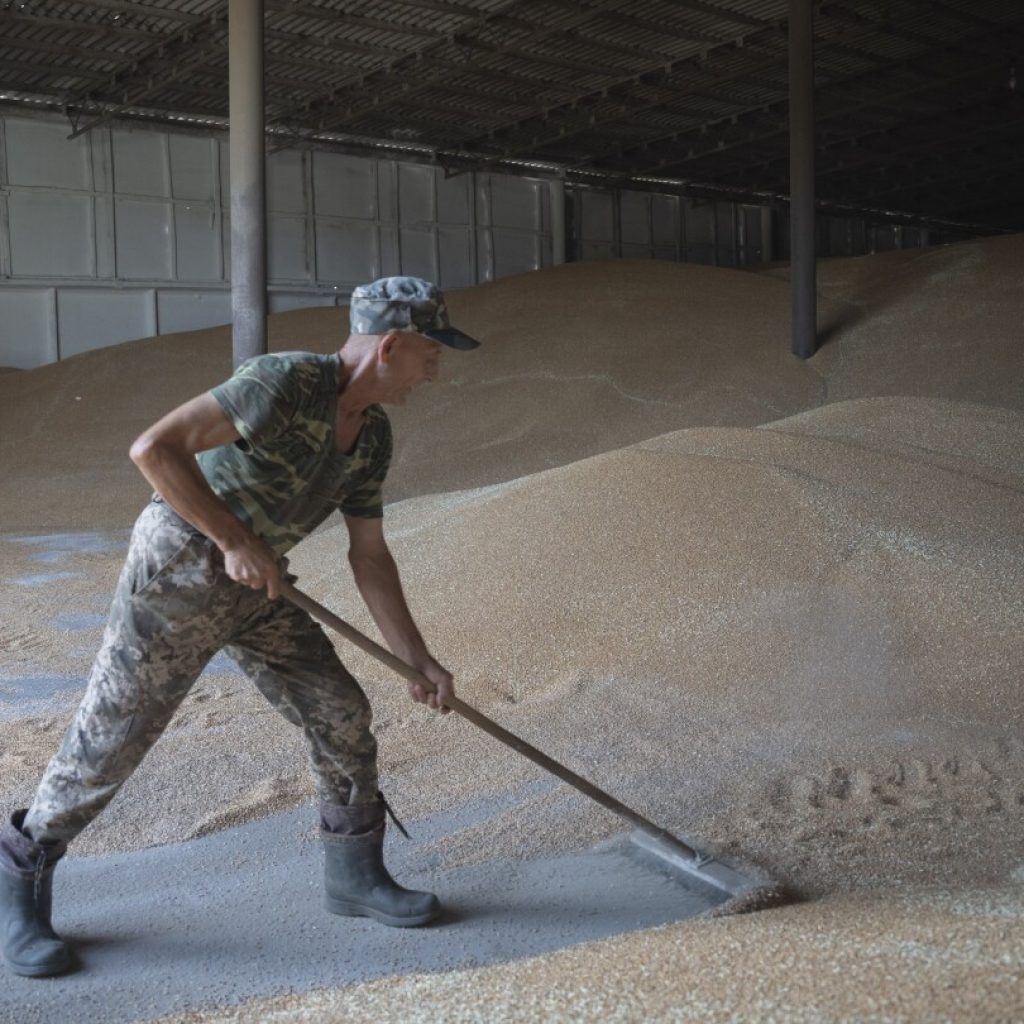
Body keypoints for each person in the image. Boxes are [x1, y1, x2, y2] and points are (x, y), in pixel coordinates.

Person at [0, 276, 480, 978]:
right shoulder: (284, 381)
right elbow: (154, 449)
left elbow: (370, 555)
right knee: (108, 744)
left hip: (260, 587)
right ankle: (19, 884)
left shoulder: (371, 437)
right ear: (392, 344)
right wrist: (231, 539)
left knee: (340, 712)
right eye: (431, 353)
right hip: (180, 572)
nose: (436, 369)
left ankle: (355, 877)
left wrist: (418, 659)